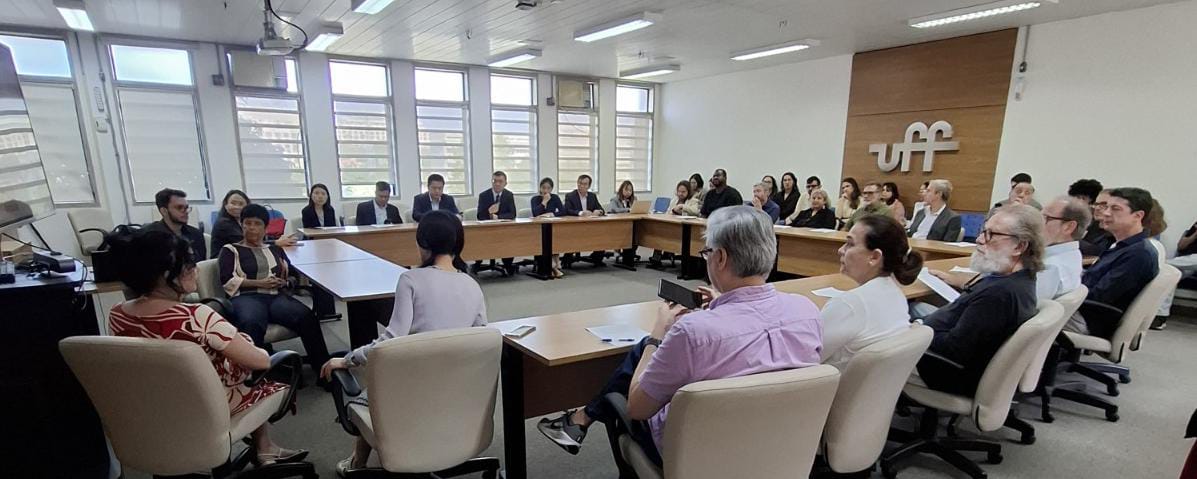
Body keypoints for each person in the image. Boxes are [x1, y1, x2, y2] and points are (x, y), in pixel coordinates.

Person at [535, 206, 822, 466]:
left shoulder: (693, 331)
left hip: (699, 455)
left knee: (641, 350)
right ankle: (579, 420)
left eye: (707, 252)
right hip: (777, 446)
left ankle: (581, 419)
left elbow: (637, 408)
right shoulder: (807, 311)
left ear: (720, 258)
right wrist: (724, 300)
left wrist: (658, 333)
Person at [106, 229, 308, 466]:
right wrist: (245, 342)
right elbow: (261, 361)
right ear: (165, 274)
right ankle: (264, 448)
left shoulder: (117, 314)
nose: (196, 268)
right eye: (189, 263)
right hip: (206, 410)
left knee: (230, 369)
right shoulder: (198, 317)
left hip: (151, 406)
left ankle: (265, 447)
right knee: (252, 372)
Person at [320, 210, 487, 475]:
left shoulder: (411, 279)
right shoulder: (472, 284)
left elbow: (390, 341)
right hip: (459, 395)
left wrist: (348, 359)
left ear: (423, 244)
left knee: (374, 387)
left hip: (414, 394)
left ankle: (357, 463)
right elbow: (479, 338)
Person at [917, 204, 1044, 396]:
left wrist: (917, 332)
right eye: (982, 231)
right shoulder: (1016, 278)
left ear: (1019, 246)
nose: (979, 239)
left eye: (990, 235)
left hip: (943, 371)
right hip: (947, 351)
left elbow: (955, 350)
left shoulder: (999, 295)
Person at [218, 204, 331, 374]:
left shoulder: (274, 249)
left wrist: (284, 283)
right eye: (247, 223)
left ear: (265, 228)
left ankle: (324, 370)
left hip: (276, 296)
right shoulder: (231, 250)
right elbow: (227, 280)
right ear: (241, 225)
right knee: (251, 322)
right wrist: (260, 283)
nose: (252, 228)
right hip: (247, 297)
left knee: (307, 317)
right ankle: (253, 377)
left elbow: (293, 274)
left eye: (257, 224)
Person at [821, 215, 923, 370]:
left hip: (829, 391)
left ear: (874, 257)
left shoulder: (850, 305)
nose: (840, 250)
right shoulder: (897, 295)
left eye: (850, 244)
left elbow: (802, 358)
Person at [1065, 188, 1159, 339]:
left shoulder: (1138, 254)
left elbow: (1098, 297)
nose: (1106, 213)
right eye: (1106, 207)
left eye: (1115, 209)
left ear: (1138, 216)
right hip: (1083, 310)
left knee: (1028, 312)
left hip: (1089, 320)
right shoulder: (1122, 246)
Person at [210, 190, 296, 258]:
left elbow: (256, 237)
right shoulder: (223, 224)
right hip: (225, 261)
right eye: (233, 203)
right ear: (226, 205)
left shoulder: (240, 221)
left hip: (243, 255)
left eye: (241, 204)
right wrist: (276, 242)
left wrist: (277, 239)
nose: (237, 207)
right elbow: (249, 242)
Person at [1035, 196, 1089, 301]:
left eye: (1046, 218)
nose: (1037, 223)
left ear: (1068, 227)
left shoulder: (1049, 268)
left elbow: (1022, 310)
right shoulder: (1073, 254)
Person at [299, 184, 340, 319]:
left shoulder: (330, 210)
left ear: (327, 196)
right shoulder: (306, 211)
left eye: (323, 193)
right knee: (319, 276)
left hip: (328, 245)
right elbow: (309, 231)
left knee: (329, 275)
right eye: (316, 193)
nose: (320, 196)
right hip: (312, 246)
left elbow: (332, 229)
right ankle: (320, 309)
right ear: (311, 195)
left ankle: (328, 310)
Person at [1155, 217, 1197, 330]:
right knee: (1170, 273)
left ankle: (1162, 263)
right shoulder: (1194, 227)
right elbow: (1181, 246)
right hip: (1187, 264)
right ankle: (1160, 317)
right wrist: (1195, 234)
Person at [144, 188, 206, 261]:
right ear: (164, 211)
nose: (186, 211)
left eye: (186, 208)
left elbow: (201, 265)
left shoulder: (196, 234)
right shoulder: (148, 237)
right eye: (179, 208)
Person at [476, 171, 518, 275]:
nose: (497, 184)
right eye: (495, 181)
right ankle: (478, 263)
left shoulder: (508, 195)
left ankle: (507, 264)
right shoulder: (484, 195)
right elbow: (480, 215)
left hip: (503, 229)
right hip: (486, 229)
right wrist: (489, 214)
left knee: (509, 239)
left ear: (505, 183)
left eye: (500, 181)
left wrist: (498, 217)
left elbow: (512, 214)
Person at [563, 174, 607, 267]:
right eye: (580, 183)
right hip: (575, 225)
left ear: (589, 186)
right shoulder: (570, 196)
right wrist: (580, 213)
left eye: (584, 184)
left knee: (602, 233)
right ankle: (567, 258)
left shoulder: (592, 196)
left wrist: (598, 211)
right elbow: (567, 210)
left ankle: (597, 258)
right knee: (573, 235)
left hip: (591, 225)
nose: (581, 186)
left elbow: (601, 209)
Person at [532, 177, 566, 278]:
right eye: (543, 188)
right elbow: (535, 213)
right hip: (538, 230)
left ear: (551, 189)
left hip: (551, 227)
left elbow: (563, 211)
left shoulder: (555, 198)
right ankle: (552, 267)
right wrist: (544, 202)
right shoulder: (535, 199)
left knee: (554, 239)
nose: (545, 190)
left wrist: (552, 214)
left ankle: (554, 266)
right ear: (540, 188)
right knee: (545, 241)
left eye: (548, 188)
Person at [1070, 179, 1113, 256]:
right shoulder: (1077, 220)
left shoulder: (1106, 227)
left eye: (1083, 198)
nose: (1077, 202)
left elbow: (1098, 250)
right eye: (1075, 198)